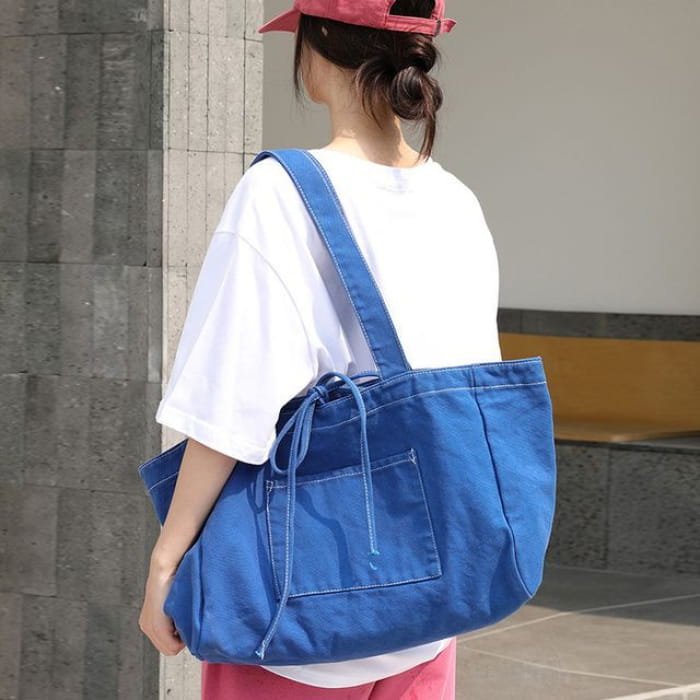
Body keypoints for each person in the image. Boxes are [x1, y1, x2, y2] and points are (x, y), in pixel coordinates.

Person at [139, 0, 502, 697]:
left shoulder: (280, 192)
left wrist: (165, 562)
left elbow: (232, 403)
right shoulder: (456, 200)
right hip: (427, 610)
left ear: (318, 44)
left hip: (298, 614)